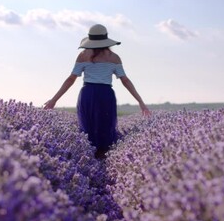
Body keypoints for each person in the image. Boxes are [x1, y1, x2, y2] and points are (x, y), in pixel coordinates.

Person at [44, 24, 151, 159]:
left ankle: (89, 162)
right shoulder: (114, 58)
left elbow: (71, 79)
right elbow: (126, 81)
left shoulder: (83, 56)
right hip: (106, 94)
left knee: (87, 128)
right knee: (106, 127)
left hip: (88, 94)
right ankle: (105, 162)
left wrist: (54, 100)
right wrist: (140, 102)